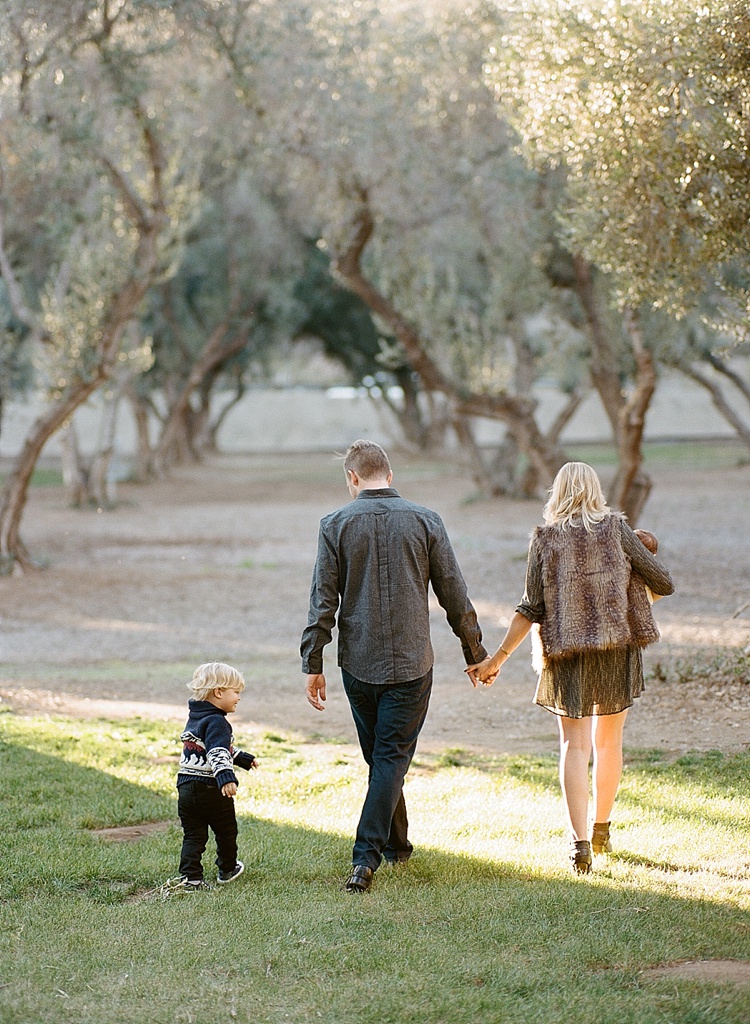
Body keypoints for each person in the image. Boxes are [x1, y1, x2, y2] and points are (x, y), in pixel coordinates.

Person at [301, 439, 488, 892]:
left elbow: (323, 601)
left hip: (358, 663)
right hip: (411, 661)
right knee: (387, 759)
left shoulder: (334, 524)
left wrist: (313, 660)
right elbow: (454, 593)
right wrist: (474, 651)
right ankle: (382, 851)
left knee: (384, 758)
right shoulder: (425, 520)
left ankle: (378, 853)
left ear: (352, 477)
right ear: (390, 474)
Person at [475, 462, 674, 874]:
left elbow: (530, 609)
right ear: (596, 492)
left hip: (566, 654)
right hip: (616, 650)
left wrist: (497, 660)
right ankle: (601, 829)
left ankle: (579, 845)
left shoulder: (545, 540)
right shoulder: (617, 530)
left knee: (574, 745)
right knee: (609, 743)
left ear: (558, 493)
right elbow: (663, 582)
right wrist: (630, 583)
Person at [173, 662, 258, 891]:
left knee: (194, 835)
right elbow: (217, 751)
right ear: (219, 692)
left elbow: (207, 746)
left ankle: (191, 878)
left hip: (186, 788)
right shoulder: (218, 721)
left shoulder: (196, 718)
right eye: (236, 692)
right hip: (211, 788)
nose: (239, 697)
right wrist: (226, 778)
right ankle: (227, 868)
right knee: (226, 830)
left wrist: (241, 758)